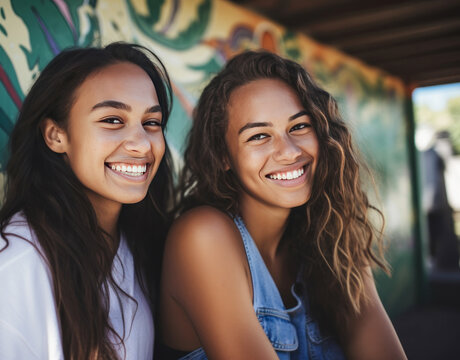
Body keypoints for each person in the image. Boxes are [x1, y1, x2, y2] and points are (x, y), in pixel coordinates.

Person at [157, 51, 406, 359]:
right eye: (259, 136)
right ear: (223, 156)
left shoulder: (334, 234)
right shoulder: (202, 235)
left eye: (299, 127)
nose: (289, 152)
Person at [0, 42, 174, 360]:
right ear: (55, 135)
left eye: (152, 123)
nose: (141, 144)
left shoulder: (136, 244)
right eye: (112, 120)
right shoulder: (18, 265)